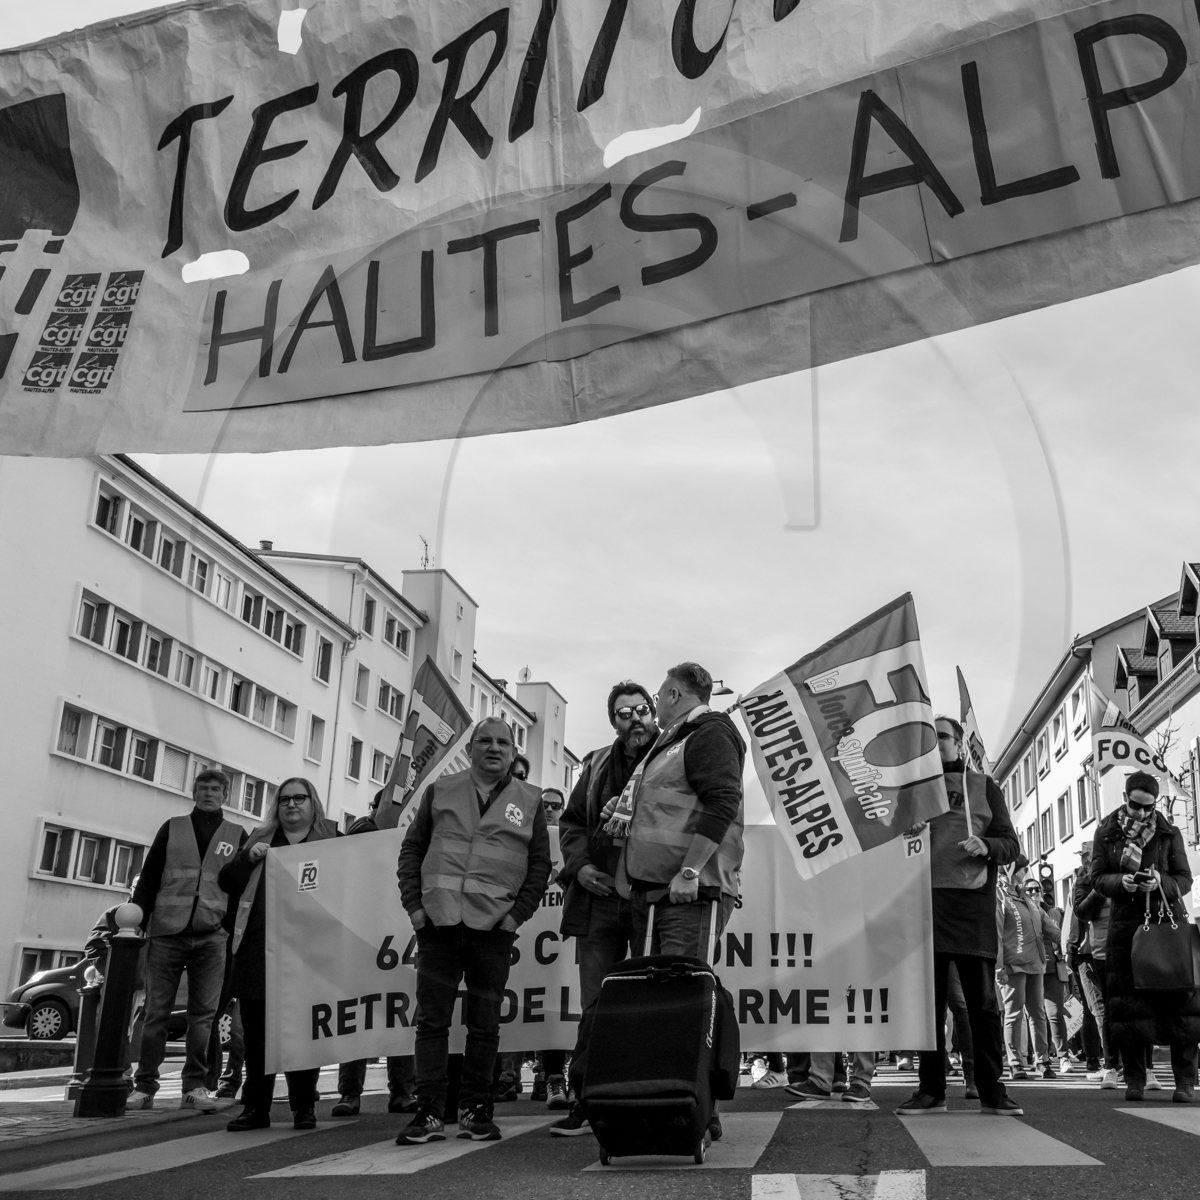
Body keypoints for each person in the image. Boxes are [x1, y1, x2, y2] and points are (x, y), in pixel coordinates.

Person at [396, 717, 552, 1145]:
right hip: (439, 924)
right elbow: (413, 848)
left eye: (504, 742)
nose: (495, 748)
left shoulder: (531, 800)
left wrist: (516, 916)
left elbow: (540, 866)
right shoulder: (440, 791)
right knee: (432, 1023)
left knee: (484, 1027)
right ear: (471, 748)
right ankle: (428, 1111)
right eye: (485, 741)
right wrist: (415, 907)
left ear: (513, 751)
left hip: (492, 929)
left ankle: (475, 1109)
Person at [615, 662, 746, 1142]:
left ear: (672, 694)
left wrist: (690, 870)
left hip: (690, 891)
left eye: (656, 696)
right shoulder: (673, 742)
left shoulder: (708, 732)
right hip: (661, 892)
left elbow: (723, 802)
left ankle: (693, 1111)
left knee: (684, 1002)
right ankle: (672, 1106)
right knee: (667, 1004)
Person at [898, 715, 1021, 1116]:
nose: (935, 744)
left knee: (982, 1006)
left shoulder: (984, 786)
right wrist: (904, 830)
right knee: (927, 1008)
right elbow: (887, 844)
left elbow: (1010, 845)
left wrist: (987, 846)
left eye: (942, 737)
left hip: (972, 909)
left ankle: (992, 1090)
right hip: (924, 907)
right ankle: (930, 1090)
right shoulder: (914, 789)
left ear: (959, 742)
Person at [551, 681, 659, 1135]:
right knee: (596, 1004)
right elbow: (572, 822)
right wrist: (579, 868)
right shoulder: (595, 763)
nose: (634, 719)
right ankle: (587, 1098)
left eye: (641, 709)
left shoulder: (674, 752)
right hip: (599, 900)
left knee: (657, 1000)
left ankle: (657, 1096)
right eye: (623, 713)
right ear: (613, 721)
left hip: (651, 898)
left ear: (653, 711)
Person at [220, 777, 340, 1131]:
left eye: (299, 798)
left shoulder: (332, 842)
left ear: (312, 803)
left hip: (309, 955)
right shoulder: (259, 838)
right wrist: (247, 858)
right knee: (257, 1037)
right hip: (259, 952)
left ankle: (304, 1106)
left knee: (305, 1033)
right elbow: (227, 881)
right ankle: (256, 1107)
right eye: (284, 799)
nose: (291, 805)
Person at [129, 770, 246, 1112]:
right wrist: (137, 919)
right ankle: (145, 1086)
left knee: (203, 1018)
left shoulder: (237, 834)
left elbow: (241, 888)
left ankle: (194, 1087)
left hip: (212, 935)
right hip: (166, 932)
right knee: (156, 1015)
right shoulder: (173, 827)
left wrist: (229, 928)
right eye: (203, 788)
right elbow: (149, 876)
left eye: (216, 789)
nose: (209, 793)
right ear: (193, 792)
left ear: (226, 795)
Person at [1088, 771, 1200, 1103]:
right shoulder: (1106, 833)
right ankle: (1134, 1080)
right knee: (1129, 1009)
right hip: (1126, 929)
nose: (1142, 813)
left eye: (1149, 808)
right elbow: (1097, 878)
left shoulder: (1168, 832)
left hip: (1167, 928)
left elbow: (1184, 879)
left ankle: (1184, 1082)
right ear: (1125, 799)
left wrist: (1160, 883)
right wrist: (1121, 882)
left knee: (1180, 1006)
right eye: (1136, 806)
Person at [332, 790, 418, 1117]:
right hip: (359, 936)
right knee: (355, 1015)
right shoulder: (363, 830)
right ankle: (349, 1093)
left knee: (400, 1014)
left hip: (400, 936)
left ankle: (402, 1091)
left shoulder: (415, 833)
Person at [996, 864, 1059, 1080]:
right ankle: (1015, 1063)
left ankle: (1042, 1061)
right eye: (1023, 869)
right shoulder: (999, 896)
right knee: (1013, 1013)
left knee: (1037, 1013)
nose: (1026, 874)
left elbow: (1048, 927)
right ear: (1012, 871)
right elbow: (995, 933)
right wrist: (998, 966)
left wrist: (1066, 936)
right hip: (1013, 964)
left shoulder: (1030, 901)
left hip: (1035, 963)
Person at [1034, 878, 1072, 1076]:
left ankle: (1063, 1056)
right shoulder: (1021, 912)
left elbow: (1062, 934)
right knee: (1035, 1016)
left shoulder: (1054, 912)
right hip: (1031, 969)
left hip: (1053, 970)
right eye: (1029, 889)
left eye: (1037, 889)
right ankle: (1040, 1056)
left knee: (1055, 1014)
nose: (1034, 892)